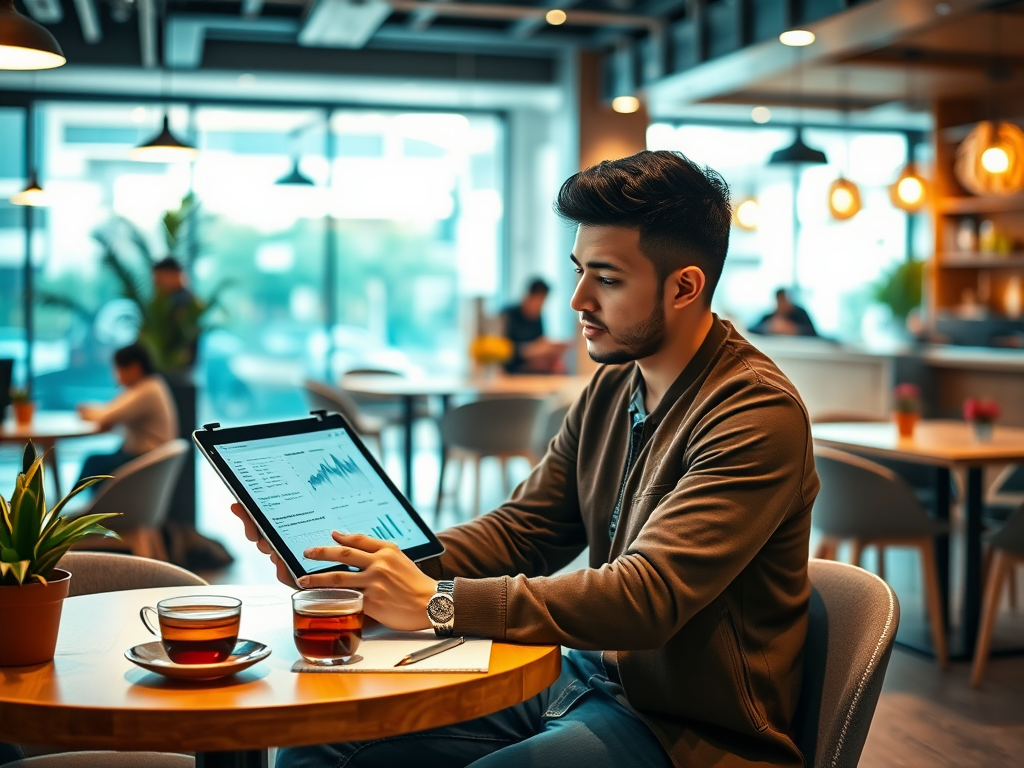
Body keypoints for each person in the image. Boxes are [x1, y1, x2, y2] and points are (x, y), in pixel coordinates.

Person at [232, 150, 819, 768]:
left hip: (688, 734)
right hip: (579, 682)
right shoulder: (616, 384)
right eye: (579, 271)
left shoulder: (754, 414)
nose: (577, 300)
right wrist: (372, 565)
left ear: (685, 286)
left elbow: (645, 599)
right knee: (321, 734)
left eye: (607, 279)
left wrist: (437, 600)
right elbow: (526, 528)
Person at [76, 343, 178, 485]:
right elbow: (113, 409)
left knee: (93, 463)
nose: (115, 374)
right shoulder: (148, 385)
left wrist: (87, 412)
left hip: (145, 459)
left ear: (135, 368)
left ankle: (74, 505)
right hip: (145, 456)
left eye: (119, 368)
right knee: (96, 462)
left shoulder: (146, 390)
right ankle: (92, 505)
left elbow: (108, 415)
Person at [500, 278, 569, 373]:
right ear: (528, 296)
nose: (540, 306)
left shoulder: (538, 317)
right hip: (511, 371)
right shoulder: (507, 315)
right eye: (539, 302)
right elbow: (502, 351)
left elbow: (540, 341)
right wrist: (531, 350)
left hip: (532, 368)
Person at [750, 288, 818, 337]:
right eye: (780, 301)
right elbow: (751, 329)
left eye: (785, 300)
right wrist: (769, 327)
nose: (783, 304)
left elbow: (813, 332)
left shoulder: (800, 313)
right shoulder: (770, 316)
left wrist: (795, 330)